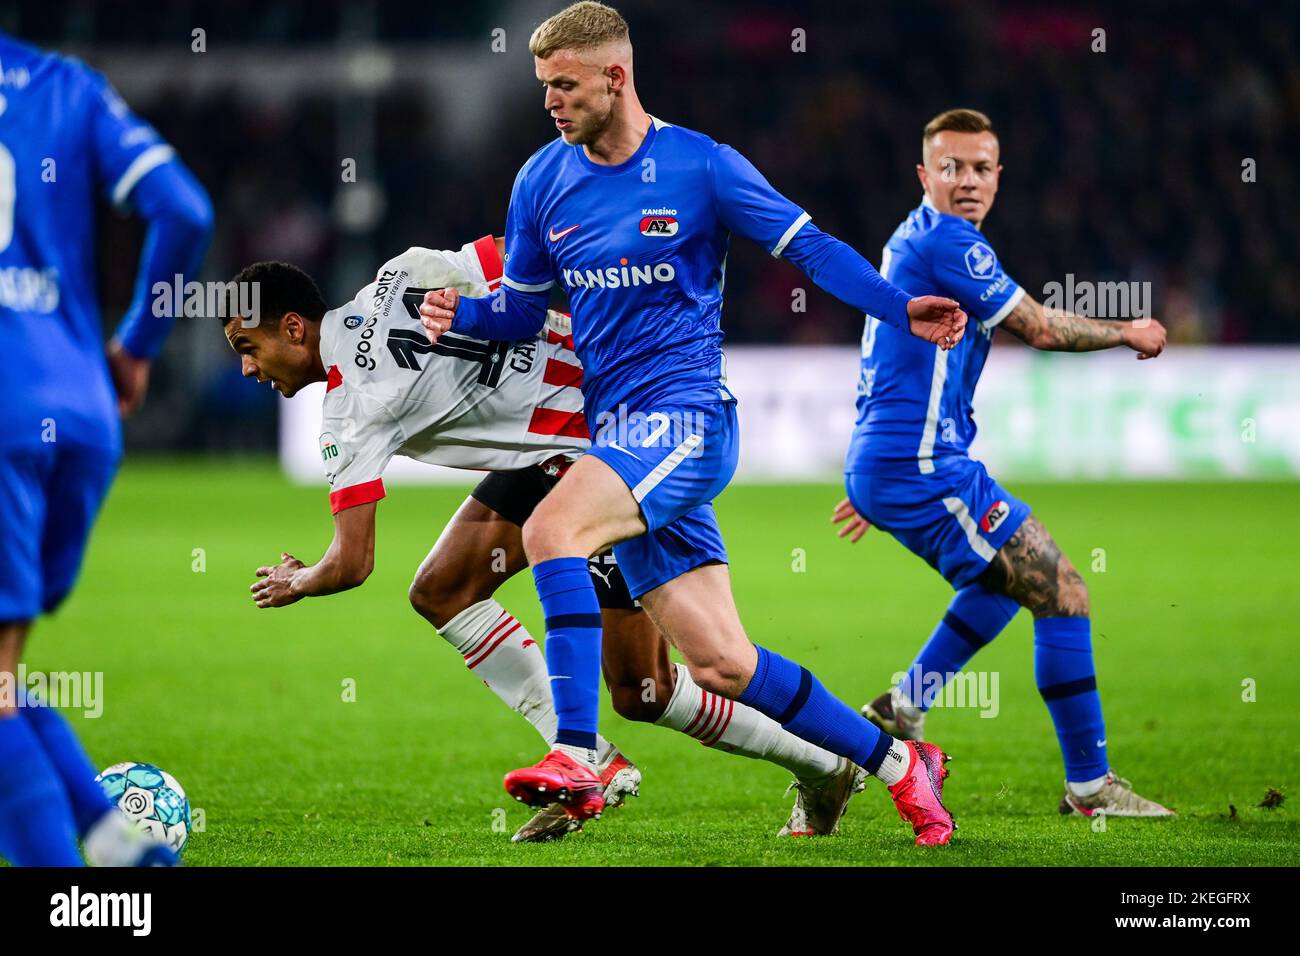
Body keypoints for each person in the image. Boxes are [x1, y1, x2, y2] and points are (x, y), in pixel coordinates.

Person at [417, 2, 967, 845]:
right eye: (543, 88)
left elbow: (809, 248)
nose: (550, 102)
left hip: (686, 421)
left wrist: (900, 308)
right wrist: (461, 314)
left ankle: (574, 752)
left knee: (554, 531)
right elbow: (521, 317)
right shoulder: (541, 180)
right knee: (722, 664)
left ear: (616, 77)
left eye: (564, 85)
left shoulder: (702, 166)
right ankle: (900, 765)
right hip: (620, 442)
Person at [224, 238, 866, 843]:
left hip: (611, 455)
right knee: (442, 590)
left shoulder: (349, 408)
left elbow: (354, 562)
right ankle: (594, 760)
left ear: (293, 327)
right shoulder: (403, 273)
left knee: (647, 689)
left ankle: (824, 763)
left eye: (246, 346)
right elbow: (530, 249)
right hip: (580, 428)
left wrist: (300, 580)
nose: (248, 367)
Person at [836, 108, 1172, 817]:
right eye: (951, 168)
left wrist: (873, 474)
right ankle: (1090, 788)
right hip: (921, 464)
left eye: (981, 168)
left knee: (1001, 582)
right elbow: (1042, 328)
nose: (967, 181)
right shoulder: (950, 242)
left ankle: (903, 705)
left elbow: (890, 358)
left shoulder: (911, 238)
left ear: (997, 176)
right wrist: (1128, 330)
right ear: (925, 175)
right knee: (1065, 591)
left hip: (903, 460)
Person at [0, 30, 213, 865]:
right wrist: (136, 346)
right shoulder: (65, 84)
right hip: (77, 404)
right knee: (4, 682)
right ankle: (123, 851)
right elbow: (185, 209)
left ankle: (79, 898)